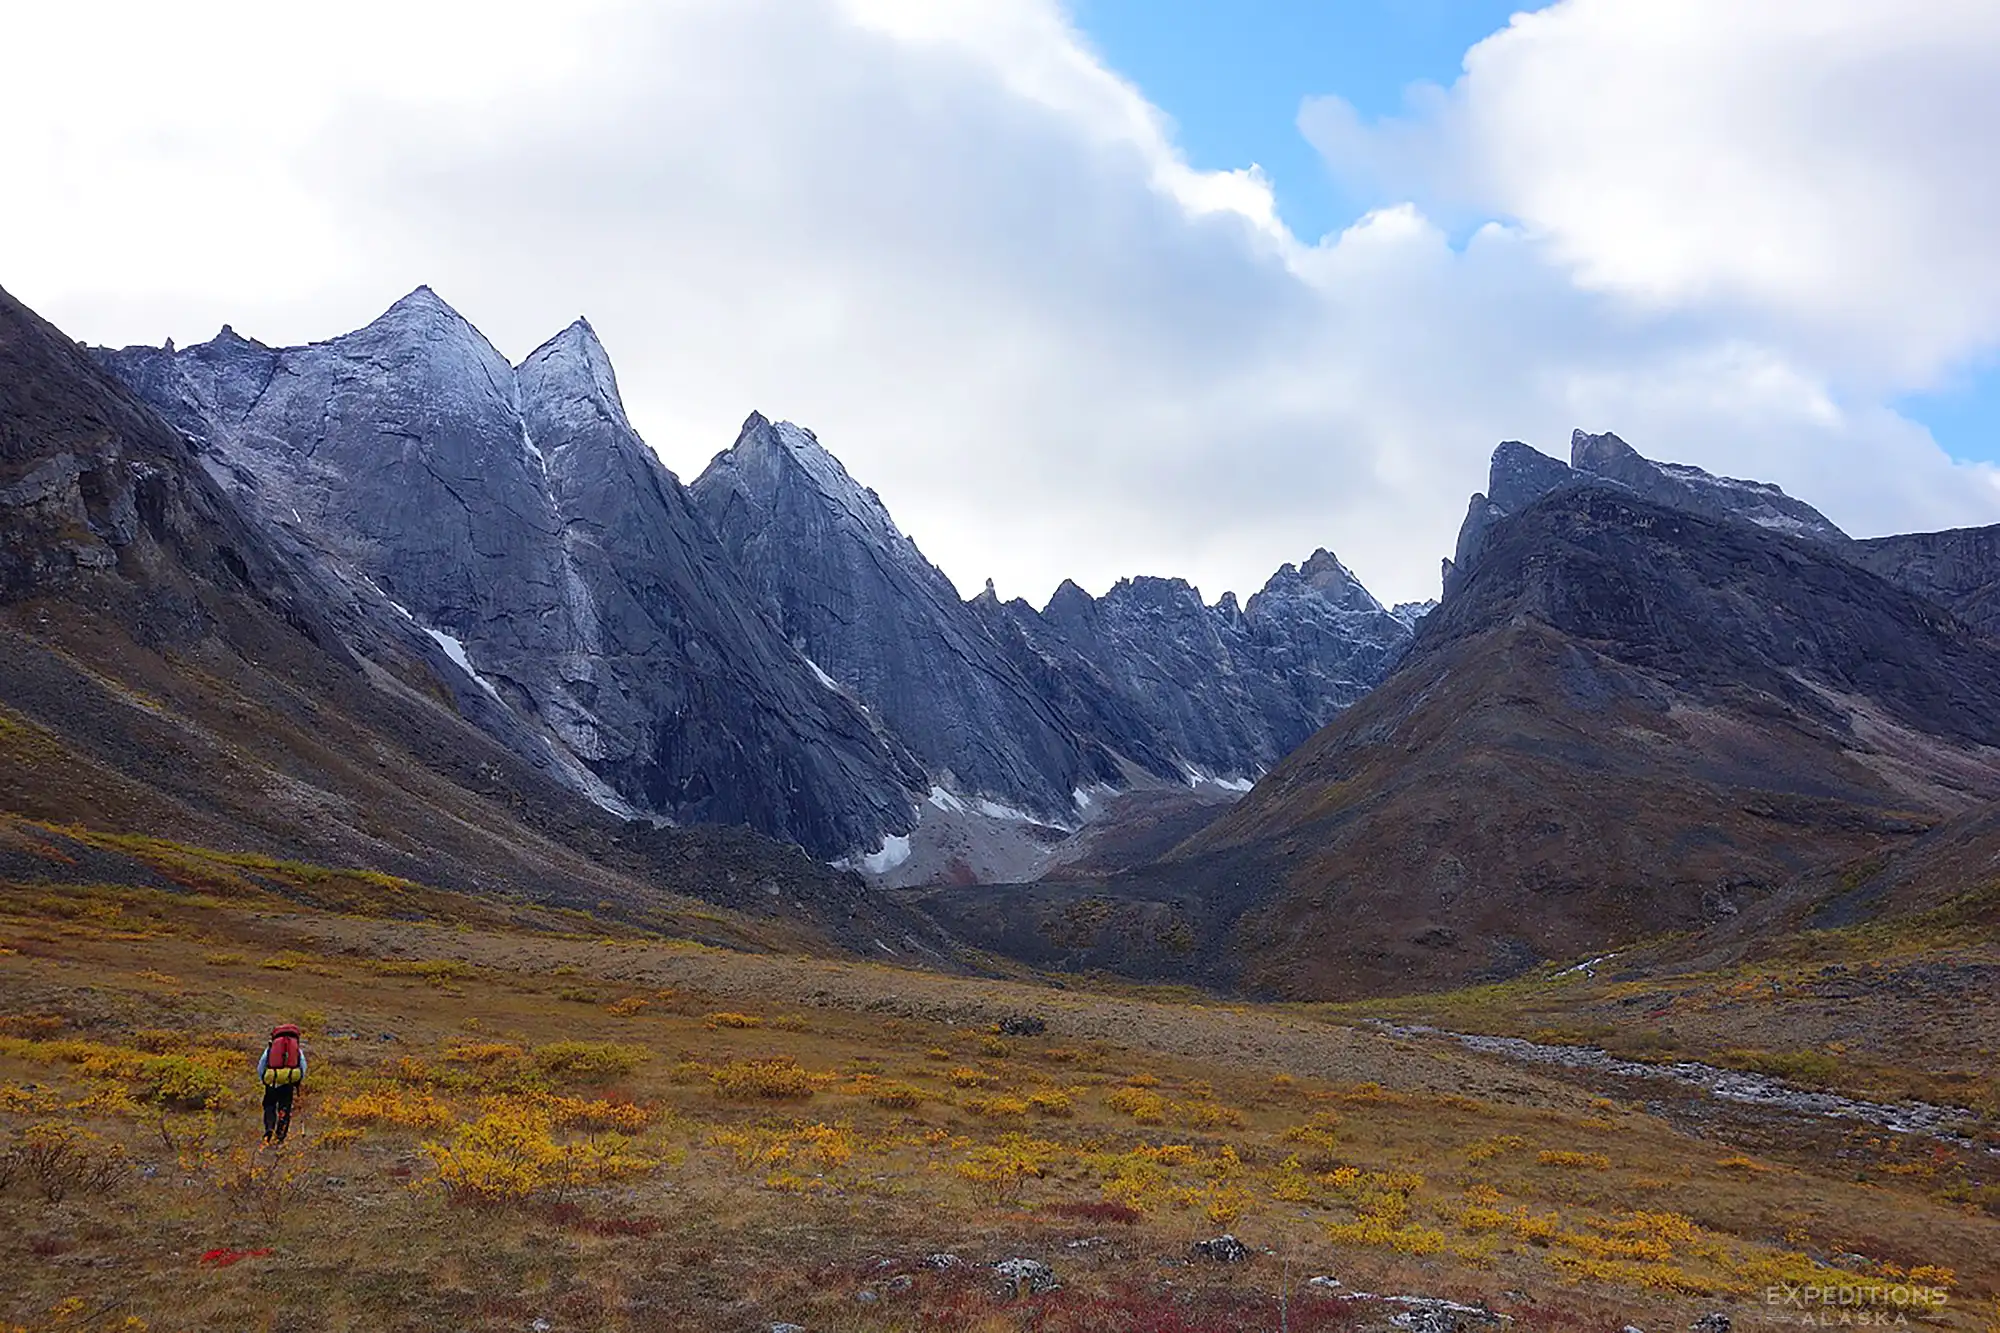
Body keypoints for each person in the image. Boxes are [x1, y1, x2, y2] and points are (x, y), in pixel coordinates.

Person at [257, 1023, 307, 1143]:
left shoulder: (271, 1048)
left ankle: (269, 1129)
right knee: (285, 1107)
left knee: (269, 1105)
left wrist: (264, 1079)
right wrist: (298, 1080)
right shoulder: (296, 1049)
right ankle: (280, 1136)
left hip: (272, 1083)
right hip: (288, 1083)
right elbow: (303, 1065)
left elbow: (261, 1065)